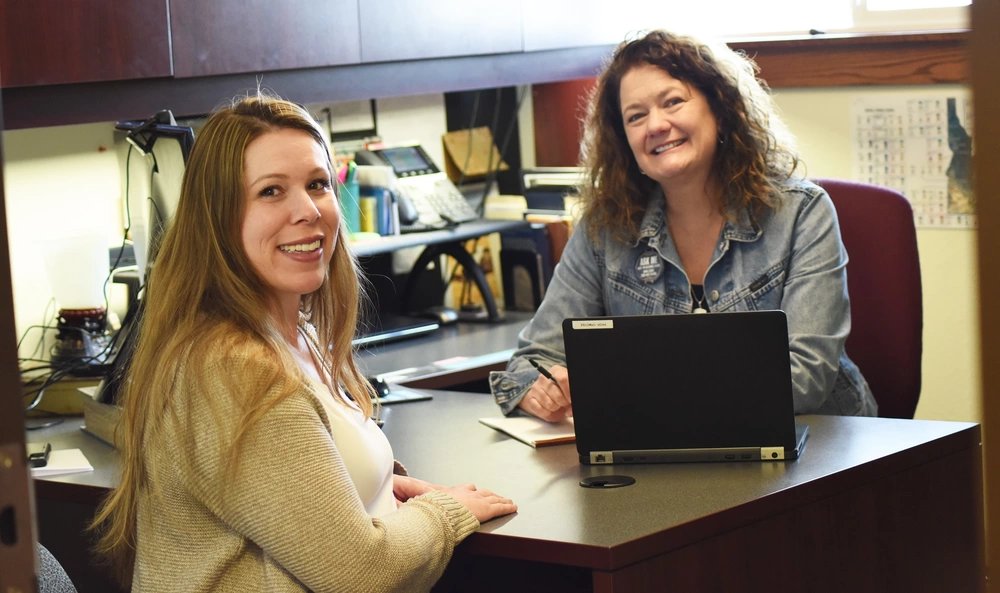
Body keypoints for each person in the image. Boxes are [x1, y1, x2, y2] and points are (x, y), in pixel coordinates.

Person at [91, 93, 516, 592]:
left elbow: (287, 481)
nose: (307, 211)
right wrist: (445, 512)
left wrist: (370, 489)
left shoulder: (294, 336)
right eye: (271, 191)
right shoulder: (235, 370)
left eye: (317, 185)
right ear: (220, 220)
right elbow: (364, 573)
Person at [490, 30, 878, 422]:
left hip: (816, 448)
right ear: (623, 141)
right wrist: (542, 393)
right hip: (667, 455)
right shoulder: (605, 228)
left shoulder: (800, 212)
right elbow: (530, 364)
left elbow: (804, 379)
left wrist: (625, 392)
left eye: (673, 102)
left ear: (720, 108)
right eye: (635, 116)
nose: (655, 125)